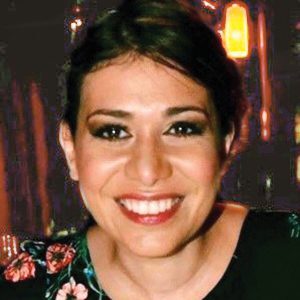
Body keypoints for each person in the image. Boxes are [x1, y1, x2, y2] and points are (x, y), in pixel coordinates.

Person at [1, 0, 300, 299]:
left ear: (224, 144)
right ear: (71, 150)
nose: (147, 171)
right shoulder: (23, 287)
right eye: (113, 131)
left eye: (181, 129)